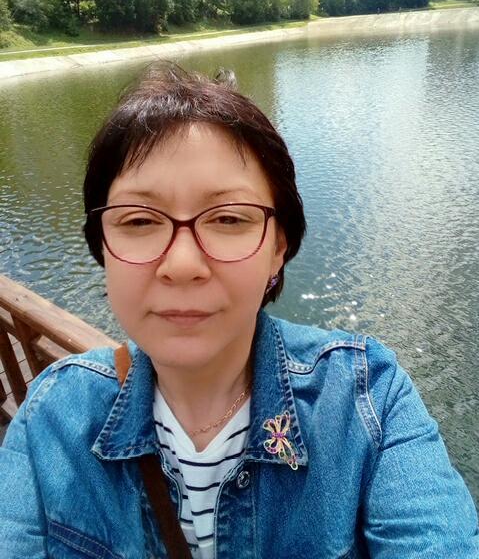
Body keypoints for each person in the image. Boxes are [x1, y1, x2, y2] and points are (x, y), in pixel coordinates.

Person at [0, 63, 477, 559]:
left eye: (228, 218)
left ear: (278, 248)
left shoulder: (366, 402)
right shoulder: (52, 418)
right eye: (139, 220)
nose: (182, 265)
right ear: (102, 246)